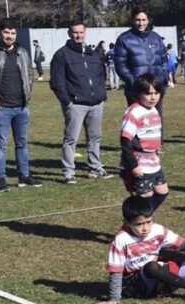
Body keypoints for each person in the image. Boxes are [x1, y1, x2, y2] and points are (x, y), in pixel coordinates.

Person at [0, 18, 42, 192]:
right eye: (6, 32)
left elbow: (29, 73)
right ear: (0, 32)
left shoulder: (22, 51)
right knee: (1, 144)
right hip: (1, 108)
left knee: (22, 143)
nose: (10, 36)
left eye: (13, 33)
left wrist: (27, 96)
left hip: (21, 107)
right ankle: (0, 179)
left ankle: (24, 176)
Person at [49, 20, 110, 185]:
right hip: (75, 105)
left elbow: (101, 75)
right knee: (71, 139)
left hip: (96, 103)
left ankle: (95, 167)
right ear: (69, 33)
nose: (78, 35)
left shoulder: (93, 53)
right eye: (75, 32)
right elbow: (57, 82)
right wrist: (67, 101)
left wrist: (101, 94)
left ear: (85, 32)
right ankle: (69, 172)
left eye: (81, 32)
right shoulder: (61, 54)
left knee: (95, 137)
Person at [119, 73, 168, 210]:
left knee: (162, 192)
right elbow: (125, 140)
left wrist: (157, 147)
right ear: (139, 94)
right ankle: (137, 220)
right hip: (139, 163)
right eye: (148, 93)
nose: (153, 97)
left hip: (153, 162)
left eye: (156, 92)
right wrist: (133, 165)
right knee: (145, 199)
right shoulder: (133, 112)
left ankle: (141, 218)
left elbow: (153, 132)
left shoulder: (154, 110)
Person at [114, 7, 168, 118]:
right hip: (136, 91)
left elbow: (164, 60)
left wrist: (162, 79)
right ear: (133, 20)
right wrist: (134, 82)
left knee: (156, 124)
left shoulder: (156, 37)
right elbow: (120, 65)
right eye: (138, 20)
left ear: (148, 21)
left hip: (156, 89)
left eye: (144, 20)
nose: (141, 23)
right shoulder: (124, 39)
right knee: (138, 124)